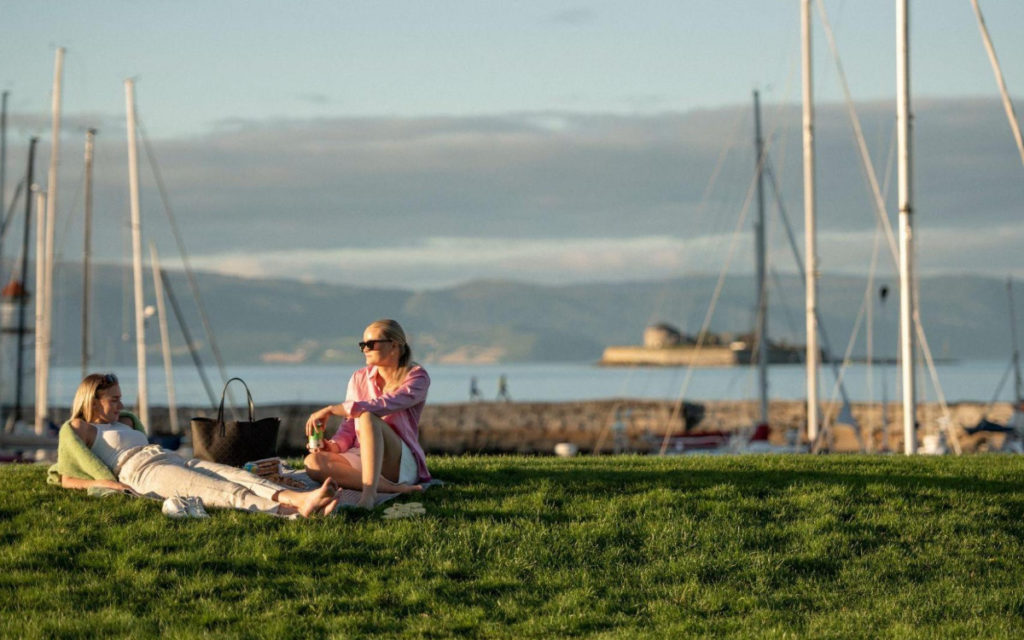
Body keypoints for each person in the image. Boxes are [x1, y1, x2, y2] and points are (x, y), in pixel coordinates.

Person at [49, 373, 339, 518]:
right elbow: (64, 476)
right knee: (220, 491)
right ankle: (289, 512)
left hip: (166, 457)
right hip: (141, 471)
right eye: (114, 399)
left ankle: (298, 498)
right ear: (92, 399)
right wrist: (110, 485)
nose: (121, 405)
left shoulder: (123, 421)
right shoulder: (80, 428)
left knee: (238, 475)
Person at [304, 319, 430, 509]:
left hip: (399, 462)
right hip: (362, 456)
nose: (365, 349)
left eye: (371, 344)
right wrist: (334, 447)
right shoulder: (359, 377)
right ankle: (391, 489)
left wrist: (332, 409)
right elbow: (348, 426)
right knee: (312, 461)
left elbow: (384, 404)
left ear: (394, 346)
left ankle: (368, 497)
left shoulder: (417, 377)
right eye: (362, 344)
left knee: (368, 416)